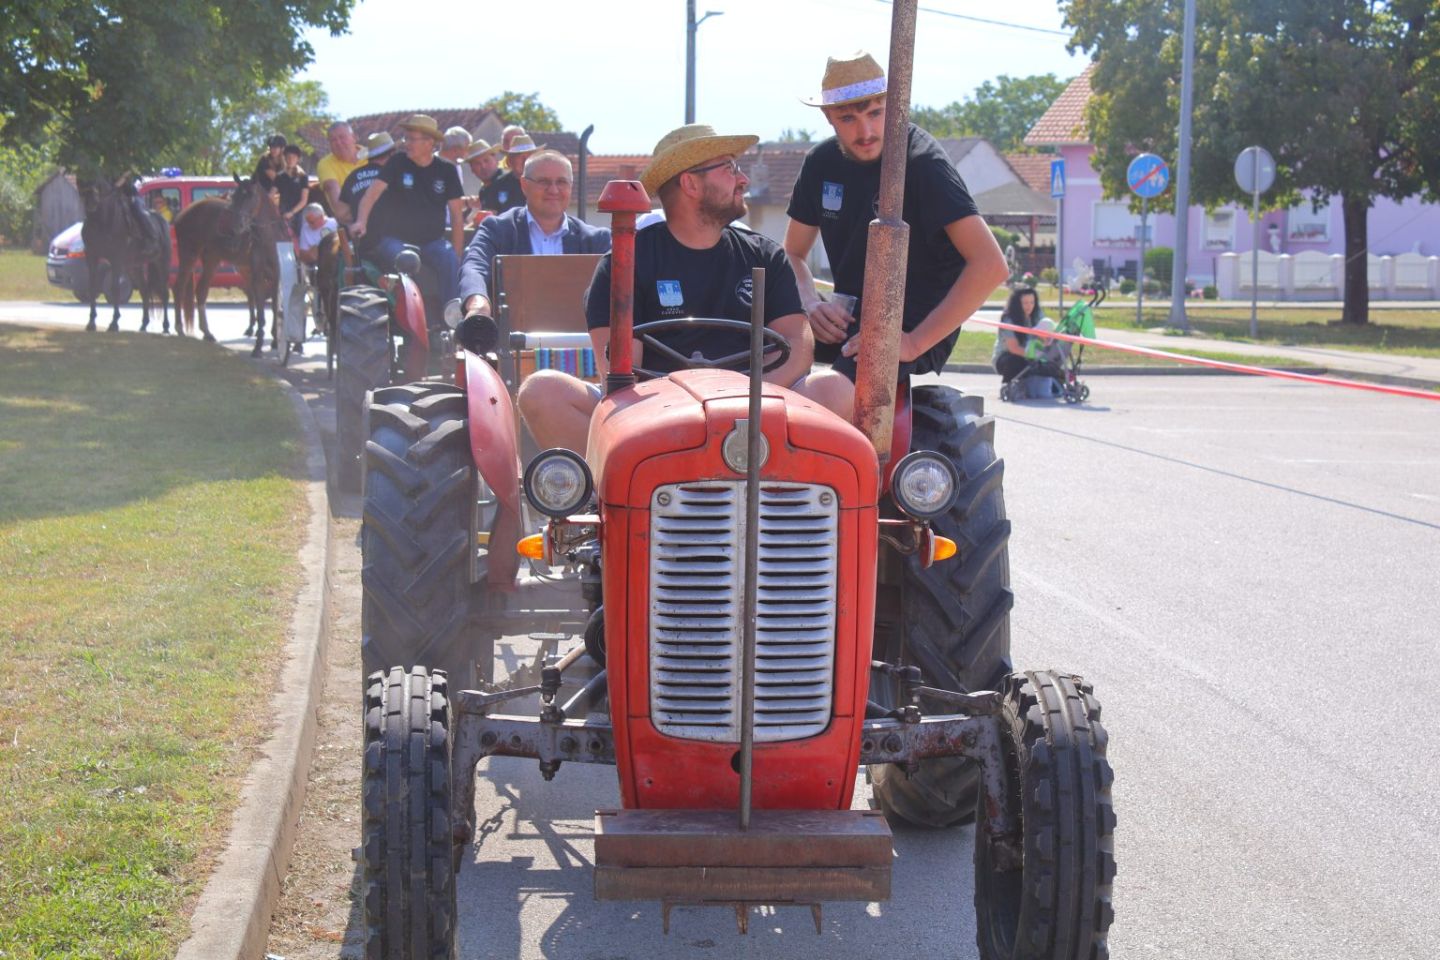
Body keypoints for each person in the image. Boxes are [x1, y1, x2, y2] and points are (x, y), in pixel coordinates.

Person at [513, 124, 829, 454]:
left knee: (834, 389)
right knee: (542, 391)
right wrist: (693, 406)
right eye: (730, 168)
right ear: (690, 183)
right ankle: (608, 497)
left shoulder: (765, 255)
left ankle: (795, 500)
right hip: (654, 414)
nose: (743, 179)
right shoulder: (625, 262)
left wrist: (746, 400)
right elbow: (623, 377)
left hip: (757, 407)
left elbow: (797, 343)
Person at [783, 51, 1009, 419]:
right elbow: (792, 253)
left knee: (821, 398)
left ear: (893, 103)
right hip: (848, 314)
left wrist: (913, 341)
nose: (866, 132)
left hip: (911, 322)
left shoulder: (923, 165)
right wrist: (810, 302)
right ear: (828, 117)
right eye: (848, 118)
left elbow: (990, 265)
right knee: (762, 357)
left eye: (875, 113)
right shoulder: (819, 163)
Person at [459, 150, 612, 318]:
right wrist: (478, 304)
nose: (553, 190)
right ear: (524, 185)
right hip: (512, 342)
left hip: (583, 342)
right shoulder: (497, 230)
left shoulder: (598, 241)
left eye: (561, 182)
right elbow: (474, 267)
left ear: (571, 186)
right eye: (543, 181)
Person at [350, 114, 465, 305]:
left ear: (430, 143)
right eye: (406, 138)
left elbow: (456, 216)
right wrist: (361, 221)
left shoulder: (447, 171)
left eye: (412, 139)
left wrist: (457, 253)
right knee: (406, 259)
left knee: (449, 259)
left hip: (433, 241)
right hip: (396, 240)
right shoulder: (397, 163)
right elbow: (371, 195)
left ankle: (452, 318)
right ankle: (407, 317)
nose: (406, 143)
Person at [992, 285, 1059, 384]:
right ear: (1017, 304)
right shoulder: (1008, 319)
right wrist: (1034, 357)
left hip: (1032, 354)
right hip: (1008, 357)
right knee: (1016, 361)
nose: (1029, 306)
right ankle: (1009, 385)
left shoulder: (1037, 315)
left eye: (1032, 302)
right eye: (1025, 303)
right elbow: (1013, 348)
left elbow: (1046, 333)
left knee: (1051, 366)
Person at [317, 121, 366, 224]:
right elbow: (341, 211)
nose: (338, 143)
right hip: (353, 224)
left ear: (354, 137)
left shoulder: (372, 154)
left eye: (342, 137)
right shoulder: (326, 164)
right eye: (333, 140)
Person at [482, 133, 537, 214]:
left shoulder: (545, 184)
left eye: (529, 155)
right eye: (520, 156)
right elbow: (489, 217)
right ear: (509, 161)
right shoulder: (497, 186)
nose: (526, 160)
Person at [461, 138, 503, 221]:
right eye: (477, 163)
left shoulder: (507, 181)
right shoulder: (484, 191)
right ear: (472, 169)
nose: (483, 166)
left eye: (486, 161)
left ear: (496, 160)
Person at [275, 144, 311, 235]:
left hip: (298, 213)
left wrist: (291, 213)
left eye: (293, 157)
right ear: (285, 158)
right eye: (288, 157)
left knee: (301, 232)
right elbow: (271, 194)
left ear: (297, 159)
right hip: (282, 211)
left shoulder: (303, 177)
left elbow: (304, 200)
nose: (290, 160)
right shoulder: (279, 176)